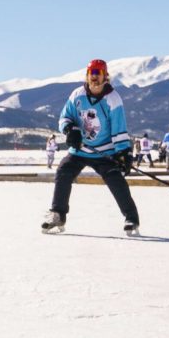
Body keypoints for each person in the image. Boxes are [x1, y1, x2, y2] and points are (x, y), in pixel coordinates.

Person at [41, 59, 139, 235]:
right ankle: (58, 214)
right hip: (80, 149)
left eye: (98, 74)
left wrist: (123, 152)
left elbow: (119, 128)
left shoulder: (113, 99)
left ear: (105, 77)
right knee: (63, 171)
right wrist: (70, 130)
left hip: (104, 151)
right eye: (91, 74)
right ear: (86, 76)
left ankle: (131, 217)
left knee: (116, 181)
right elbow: (65, 118)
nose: (94, 78)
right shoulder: (77, 95)